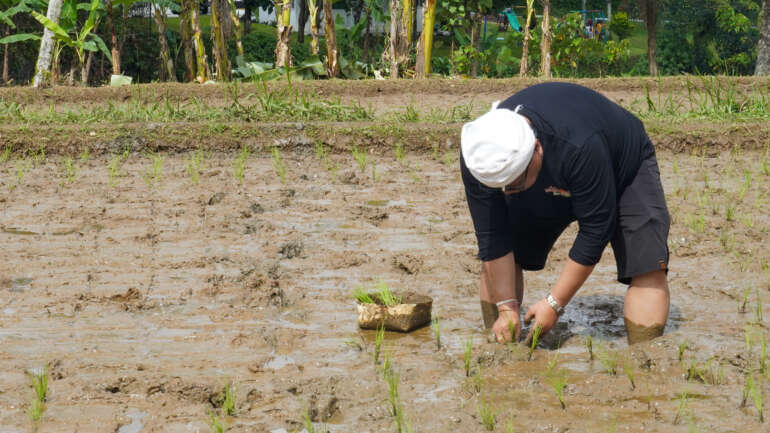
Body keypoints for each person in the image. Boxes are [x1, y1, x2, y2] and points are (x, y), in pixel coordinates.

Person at [460, 82, 671, 346]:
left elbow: (596, 230)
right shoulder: (479, 155)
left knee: (647, 265)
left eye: (512, 185)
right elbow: (492, 237)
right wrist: (506, 307)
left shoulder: (579, 144)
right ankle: (502, 345)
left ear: (536, 149)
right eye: (499, 187)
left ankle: (644, 360)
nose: (506, 192)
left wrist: (554, 303)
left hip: (621, 165)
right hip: (548, 173)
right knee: (504, 252)